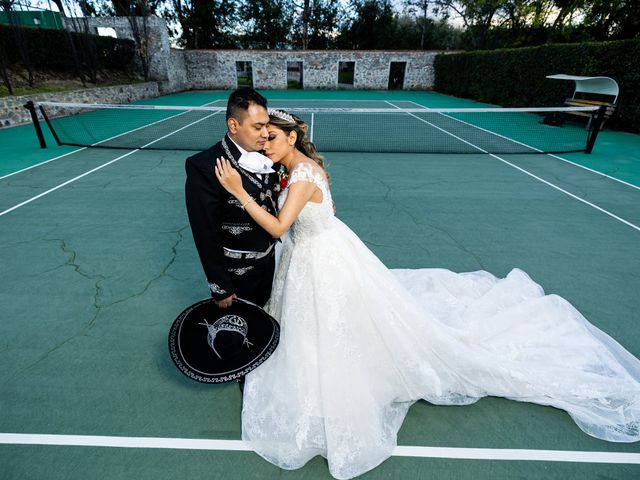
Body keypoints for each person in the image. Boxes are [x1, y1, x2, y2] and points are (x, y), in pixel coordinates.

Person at [214, 109, 640, 479]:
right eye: (262, 136)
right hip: (319, 250)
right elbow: (325, 210)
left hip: (319, 256)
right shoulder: (302, 168)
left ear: (292, 138)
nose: (264, 143)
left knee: (333, 322)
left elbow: (277, 227)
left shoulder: (303, 173)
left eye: (271, 137)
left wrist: (237, 191)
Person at [185, 87, 281, 309]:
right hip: (237, 278)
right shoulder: (204, 166)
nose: (266, 134)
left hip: (272, 266)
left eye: (266, 125)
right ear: (233, 125)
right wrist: (221, 287)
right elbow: (205, 233)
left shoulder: (270, 155)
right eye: (257, 127)